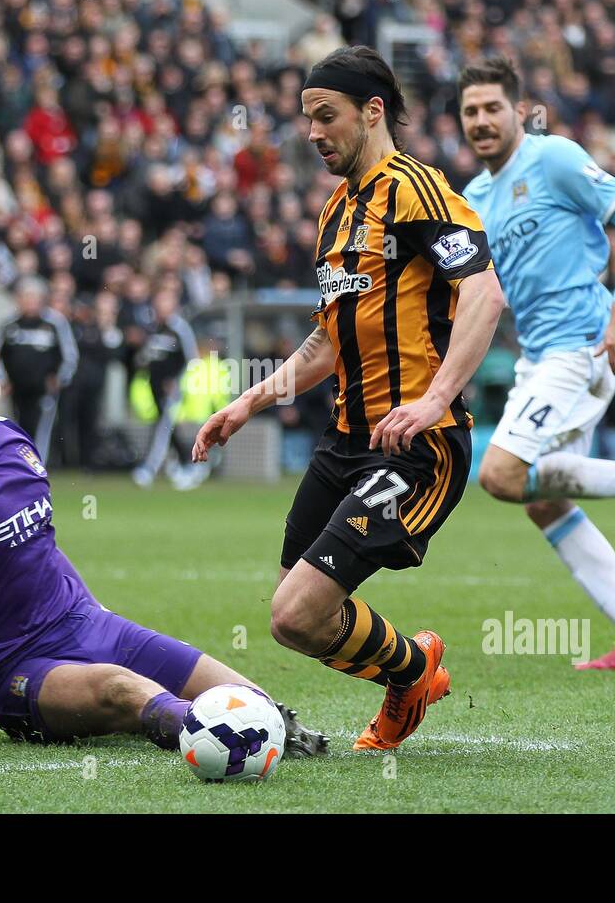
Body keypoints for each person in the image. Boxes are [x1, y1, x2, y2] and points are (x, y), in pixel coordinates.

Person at [193, 46, 506, 750]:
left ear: (372, 113)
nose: (311, 132)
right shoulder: (338, 211)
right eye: (306, 119)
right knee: (290, 618)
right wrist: (250, 400)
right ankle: (412, 669)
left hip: (415, 446)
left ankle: (409, 676)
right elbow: (328, 343)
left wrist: (434, 401)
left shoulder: (416, 189)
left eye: (324, 116)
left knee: (302, 610)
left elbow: (484, 293)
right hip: (345, 443)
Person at [0, 310, 328, 756]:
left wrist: (89, 603)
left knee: (255, 703)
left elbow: (42, 545)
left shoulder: (12, 439)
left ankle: (269, 727)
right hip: (20, 666)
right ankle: (217, 737)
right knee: (124, 690)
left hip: (87, 622)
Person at [457, 56, 615, 671]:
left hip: (582, 345)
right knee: (542, 498)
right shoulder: (472, 198)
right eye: (470, 111)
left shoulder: (553, 159)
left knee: (499, 475)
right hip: (540, 359)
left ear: (518, 110)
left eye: (493, 107)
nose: (481, 120)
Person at [131, 287, 204, 490]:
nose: (161, 308)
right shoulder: (153, 328)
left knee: (162, 428)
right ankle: (189, 463)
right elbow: (148, 356)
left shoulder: (180, 328)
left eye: (166, 303)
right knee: (168, 428)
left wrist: (176, 381)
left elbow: (192, 359)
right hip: (154, 386)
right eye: (159, 303)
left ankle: (149, 468)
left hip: (173, 388)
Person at [0, 276, 76, 463]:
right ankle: (21, 467)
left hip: (43, 390)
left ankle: (37, 467)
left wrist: (59, 379)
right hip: (17, 389)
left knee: (41, 429)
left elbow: (70, 355)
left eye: (34, 297)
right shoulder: (10, 325)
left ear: (42, 299)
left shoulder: (55, 323)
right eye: (26, 297)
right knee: (18, 428)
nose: (30, 302)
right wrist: (2, 380)